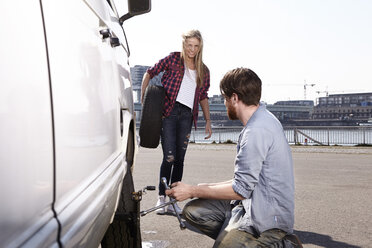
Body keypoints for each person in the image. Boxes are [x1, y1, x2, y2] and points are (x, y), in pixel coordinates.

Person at [166, 68, 296, 247]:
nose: (225, 103)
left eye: (225, 98)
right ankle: (234, 236)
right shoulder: (263, 119)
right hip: (248, 205)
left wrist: (192, 191)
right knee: (194, 211)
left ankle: (281, 244)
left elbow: (240, 189)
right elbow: (244, 180)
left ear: (234, 98)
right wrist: (203, 187)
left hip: (267, 221)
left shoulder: (255, 131)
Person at [141, 29, 212, 215]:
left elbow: (203, 97)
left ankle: (173, 201)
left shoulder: (204, 71)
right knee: (169, 157)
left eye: (196, 46)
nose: (192, 49)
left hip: (187, 115)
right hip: (170, 113)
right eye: (189, 45)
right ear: (184, 44)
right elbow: (150, 72)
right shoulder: (173, 59)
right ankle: (162, 197)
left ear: (200, 47)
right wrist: (144, 98)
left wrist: (208, 121)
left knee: (180, 160)